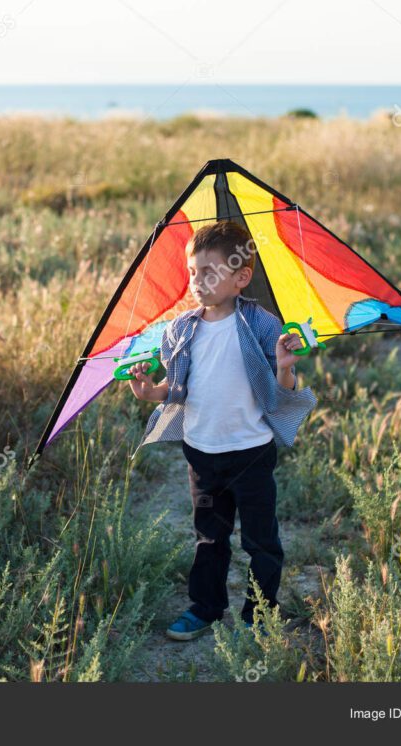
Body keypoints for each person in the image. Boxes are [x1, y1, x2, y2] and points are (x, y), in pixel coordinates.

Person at [126, 220, 317, 640]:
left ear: (240, 277)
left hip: (251, 452)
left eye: (210, 273)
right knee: (210, 538)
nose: (198, 282)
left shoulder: (261, 325)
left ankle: (259, 614)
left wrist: (285, 368)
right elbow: (176, 389)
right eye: (193, 272)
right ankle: (206, 608)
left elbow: (282, 393)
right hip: (202, 452)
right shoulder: (181, 329)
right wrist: (147, 392)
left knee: (260, 542)